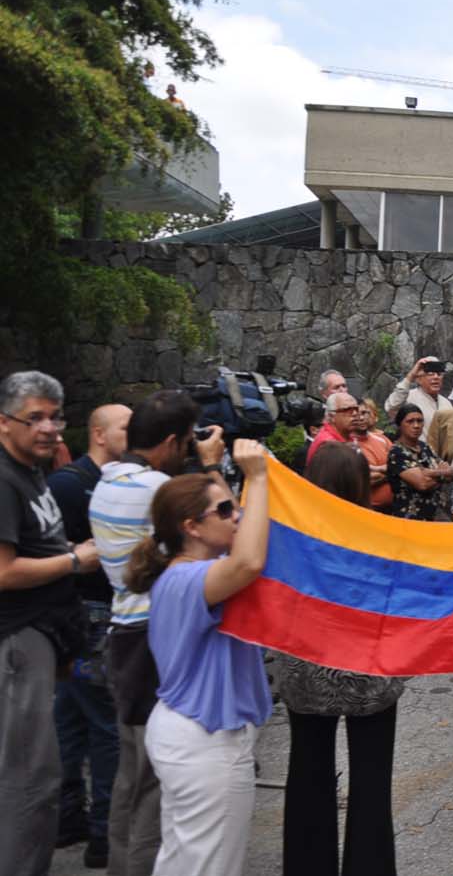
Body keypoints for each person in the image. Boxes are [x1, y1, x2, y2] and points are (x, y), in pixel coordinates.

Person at [89, 389, 224, 876]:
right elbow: (224, 527)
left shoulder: (108, 480)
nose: (191, 448)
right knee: (153, 789)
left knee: (132, 778)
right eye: (188, 441)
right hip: (152, 639)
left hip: (123, 635)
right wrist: (211, 468)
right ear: (170, 442)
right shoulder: (157, 492)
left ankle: (121, 864)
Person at [126, 440, 274, 876]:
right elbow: (249, 562)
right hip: (206, 740)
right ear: (192, 527)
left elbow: (234, 537)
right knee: (210, 867)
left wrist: (213, 467)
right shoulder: (192, 579)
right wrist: (258, 477)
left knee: (183, 860)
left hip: (186, 731)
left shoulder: (187, 568)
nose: (238, 515)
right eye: (227, 511)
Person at [280, 443, 405, 876]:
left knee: (307, 776)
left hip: (305, 671)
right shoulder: (382, 537)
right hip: (369, 673)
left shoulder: (292, 538)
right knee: (371, 784)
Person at [0, 372, 102, 876]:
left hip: (44, 640)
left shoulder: (32, 472)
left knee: (42, 770)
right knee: (26, 779)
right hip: (16, 641)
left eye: (54, 417)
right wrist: (77, 560)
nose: (48, 428)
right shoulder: (3, 478)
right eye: (34, 417)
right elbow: (3, 571)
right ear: (3, 422)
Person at [47, 403, 132, 868]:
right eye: (125, 427)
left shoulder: (104, 481)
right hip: (86, 617)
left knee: (73, 720)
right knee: (103, 725)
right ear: (99, 434)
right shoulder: (68, 485)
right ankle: (100, 833)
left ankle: (70, 820)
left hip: (89, 615)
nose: (133, 433)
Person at [387, 406, 453, 521]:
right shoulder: (397, 452)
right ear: (400, 425)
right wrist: (442, 473)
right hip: (410, 518)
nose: (416, 425)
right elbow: (423, 484)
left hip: (435, 515)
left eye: (420, 421)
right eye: (410, 421)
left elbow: (450, 474)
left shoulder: (425, 446)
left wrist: (430, 473)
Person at [384, 356, 453, 429]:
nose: (436, 377)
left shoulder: (446, 404)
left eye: (439, 374)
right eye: (430, 374)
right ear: (419, 379)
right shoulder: (408, 398)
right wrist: (410, 376)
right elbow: (391, 407)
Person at [350, 399, 395, 513]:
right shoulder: (348, 445)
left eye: (364, 413)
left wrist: (390, 471)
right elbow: (364, 480)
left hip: (393, 508)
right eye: (357, 414)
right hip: (367, 510)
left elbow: (400, 463)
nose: (361, 418)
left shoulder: (382, 439)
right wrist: (393, 472)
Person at [307, 391, 360, 463]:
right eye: (347, 410)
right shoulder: (328, 446)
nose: (355, 413)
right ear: (332, 416)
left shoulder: (347, 434)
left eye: (356, 409)